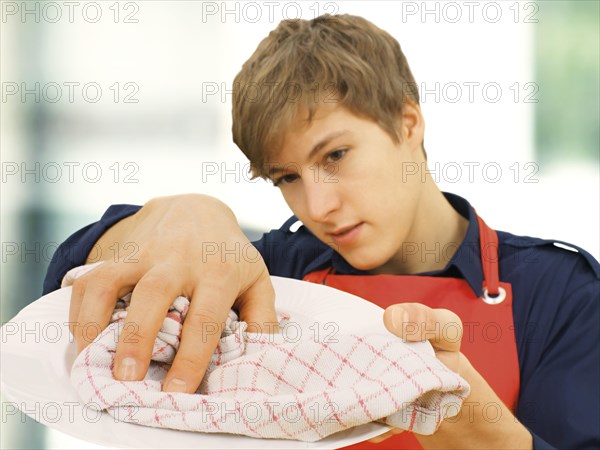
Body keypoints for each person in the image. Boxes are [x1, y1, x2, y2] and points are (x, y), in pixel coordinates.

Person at [43, 14, 598, 450]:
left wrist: (457, 411)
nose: (321, 206)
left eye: (335, 155)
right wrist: (182, 215)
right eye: (287, 177)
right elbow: (63, 292)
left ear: (408, 123)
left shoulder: (561, 294)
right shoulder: (273, 274)